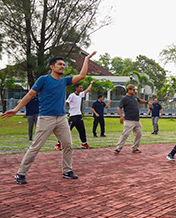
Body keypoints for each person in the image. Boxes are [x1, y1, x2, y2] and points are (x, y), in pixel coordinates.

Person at [2, 52, 96, 184]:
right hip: (46, 118)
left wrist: (86, 59)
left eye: (64, 64)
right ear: (52, 66)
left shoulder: (64, 81)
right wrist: (17, 109)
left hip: (61, 118)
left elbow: (81, 76)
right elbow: (30, 95)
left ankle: (67, 171)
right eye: (59, 64)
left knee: (67, 144)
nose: (62, 66)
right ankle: (20, 174)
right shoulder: (43, 79)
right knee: (36, 146)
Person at [114, 84, 153, 155]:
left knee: (139, 134)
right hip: (129, 120)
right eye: (133, 90)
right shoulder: (125, 98)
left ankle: (135, 148)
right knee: (125, 134)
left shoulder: (134, 97)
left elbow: (139, 100)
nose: (134, 91)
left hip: (137, 120)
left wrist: (147, 102)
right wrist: (121, 116)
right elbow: (119, 108)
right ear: (129, 90)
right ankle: (118, 148)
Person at [55, 81, 94, 150]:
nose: (81, 89)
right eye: (80, 87)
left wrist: (91, 83)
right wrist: (63, 111)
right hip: (73, 117)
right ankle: (58, 144)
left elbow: (87, 90)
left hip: (79, 116)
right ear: (76, 88)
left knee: (82, 130)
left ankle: (84, 143)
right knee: (67, 131)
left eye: (82, 87)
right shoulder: (72, 95)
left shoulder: (81, 94)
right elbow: (66, 102)